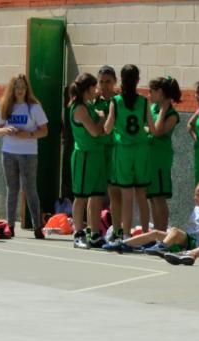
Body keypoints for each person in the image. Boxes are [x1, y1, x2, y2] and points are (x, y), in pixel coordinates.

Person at [0, 73, 49, 239]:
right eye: (17, 87)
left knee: (30, 189)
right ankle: (10, 225)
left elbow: (44, 131)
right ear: (12, 89)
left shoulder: (34, 107)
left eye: (23, 87)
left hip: (28, 154)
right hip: (9, 152)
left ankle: (37, 226)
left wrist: (29, 135)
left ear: (27, 89)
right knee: (12, 189)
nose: (20, 90)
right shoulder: (6, 106)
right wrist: (6, 130)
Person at [107, 180, 199, 255]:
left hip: (197, 244)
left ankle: (161, 247)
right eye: (195, 194)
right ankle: (124, 243)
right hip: (188, 240)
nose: (195, 197)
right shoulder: (197, 208)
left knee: (174, 230)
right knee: (156, 233)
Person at [105, 64, 152, 240]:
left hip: (123, 150)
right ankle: (146, 234)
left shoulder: (116, 102)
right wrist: (144, 130)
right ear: (138, 80)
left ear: (121, 80)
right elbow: (152, 128)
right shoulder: (144, 101)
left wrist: (104, 119)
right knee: (141, 194)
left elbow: (108, 128)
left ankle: (125, 234)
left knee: (126, 195)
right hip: (141, 149)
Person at [66, 73, 108, 250]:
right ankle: (79, 234)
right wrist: (102, 118)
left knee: (97, 195)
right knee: (81, 197)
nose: (97, 90)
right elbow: (95, 131)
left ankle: (95, 234)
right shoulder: (79, 108)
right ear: (87, 88)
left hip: (96, 155)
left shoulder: (89, 105)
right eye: (94, 87)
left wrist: (100, 119)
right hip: (84, 156)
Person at [147, 76, 181, 232]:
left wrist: (163, 109)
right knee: (153, 197)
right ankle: (156, 232)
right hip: (149, 157)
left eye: (152, 91)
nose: (149, 95)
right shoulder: (151, 108)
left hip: (160, 158)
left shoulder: (171, 114)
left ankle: (161, 233)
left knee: (159, 197)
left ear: (160, 92)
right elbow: (144, 128)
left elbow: (158, 131)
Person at [95, 65, 121, 242]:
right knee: (96, 193)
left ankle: (116, 229)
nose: (104, 86)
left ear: (115, 82)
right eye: (101, 82)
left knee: (114, 193)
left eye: (108, 82)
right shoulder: (94, 102)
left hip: (115, 152)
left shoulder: (119, 102)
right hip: (98, 151)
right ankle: (96, 229)